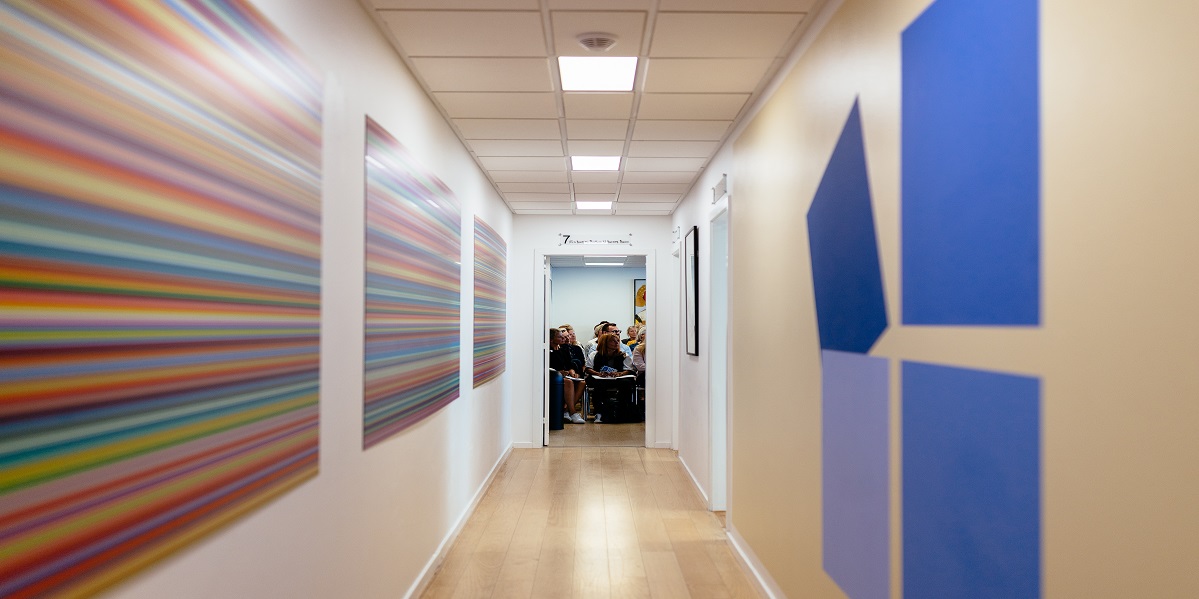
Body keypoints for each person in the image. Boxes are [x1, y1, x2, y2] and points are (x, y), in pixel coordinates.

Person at [585, 332, 634, 423]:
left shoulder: (623, 355)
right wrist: (598, 373)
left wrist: (620, 374)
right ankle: (599, 412)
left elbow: (629, 369)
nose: (617, 343)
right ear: (605, 343)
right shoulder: (594, 355)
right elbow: (588, 369)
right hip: (599, 378)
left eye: (617, 341)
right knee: (598, 386)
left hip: (617, 379)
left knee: (627, 383)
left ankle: (622, 410)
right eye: (613, 341)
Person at [549, 328, 585, 424]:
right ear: (551, 339)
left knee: (582, 382)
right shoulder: (547, 351)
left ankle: (566, 410)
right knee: (568, 382)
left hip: (565, 375)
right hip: (553, 376)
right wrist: (559, 372)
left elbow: (569, 365)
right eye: (560, 337)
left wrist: (572, 372)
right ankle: (573, 412)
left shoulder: (563, 350)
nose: (563, 339)